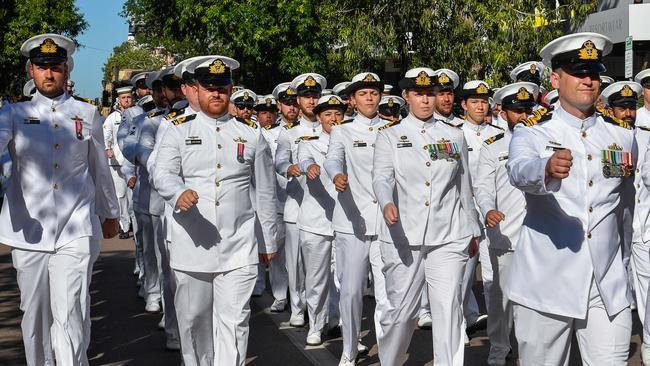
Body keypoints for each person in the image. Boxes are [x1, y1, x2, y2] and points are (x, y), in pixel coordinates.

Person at [507, 32, 635, 365]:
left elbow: (628, 207)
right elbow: (518, 171)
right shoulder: (533, 131)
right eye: (578, 73)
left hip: (607, 283)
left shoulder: (621, 136)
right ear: (555, 78)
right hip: (547, 283)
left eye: (593, 74)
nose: (588, 81)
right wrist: (545, 168)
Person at [0, 33, 119, 366]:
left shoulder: (87, 114)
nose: (48, 74)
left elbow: (100, 167)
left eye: (55, 67)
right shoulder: (12, 114)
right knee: (35, 314)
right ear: (31, 71)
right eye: (41, 67)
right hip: (28, 229)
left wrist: (109, 212)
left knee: (70, 311)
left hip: (75, 226)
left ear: (67, 70)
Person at [153, 55, 277, 366]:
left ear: (231, 89)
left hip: (239, 243)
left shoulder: (250, 133)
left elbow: (264, 190)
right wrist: (177, 192)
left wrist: (268, 241)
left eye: (222, 87)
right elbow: (162, 173)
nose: (216, 94)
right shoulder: (177, 129)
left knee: (235, 322)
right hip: (191, 241)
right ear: (196, 89)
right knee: (194, 321)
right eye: (209, 88)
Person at [373, 67, 481, 365]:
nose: (425, 100)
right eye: (418, 94)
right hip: (404, 235)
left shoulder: (454, 135)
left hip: (449, 234)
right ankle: (390, 361)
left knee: (448, 310)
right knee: (401, 314)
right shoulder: (390, 136)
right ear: (406, 96)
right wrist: (385, 202)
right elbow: (381, 178)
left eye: (430, 94)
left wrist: (473, 229)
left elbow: (464, 185)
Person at [324, 72, 389, 365]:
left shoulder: (393, 129)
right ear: (352, 100)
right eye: (363, 94)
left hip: (388, 223)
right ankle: (349, 350)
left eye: (374, 93)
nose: (370, 98)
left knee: (388, 294)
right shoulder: (342, 131)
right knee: (351, 292)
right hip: (353, 222)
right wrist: (336, 175)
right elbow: (333, 158)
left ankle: (389, 352)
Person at [474, 81, 538, 365]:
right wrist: (488, 210)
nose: (522, 115)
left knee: (535, 301)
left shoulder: (546, 141)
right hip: (505, 234)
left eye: (527, 109)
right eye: (516, 110)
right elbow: (483, 187)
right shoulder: (493, 147)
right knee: (501, 301)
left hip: (539, 236)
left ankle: (532, 349)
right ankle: (499, 347)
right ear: (504, 113)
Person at [275, 72, 326, 327]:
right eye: (306, 96)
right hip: (297, 203)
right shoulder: (289, 132)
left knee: (323, 265)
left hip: (327, 207)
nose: (311, 100)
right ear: (298, 100)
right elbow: (279, 160)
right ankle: (298, 306)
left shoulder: (333, 125)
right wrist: (289, 168)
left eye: (315, 95)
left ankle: (324, 311)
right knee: (295, 263)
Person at [296, 95, 346, 346]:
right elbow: (304, 160)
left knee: (344, 278)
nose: (334, 119)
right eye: (328, 115)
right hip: (315, 220)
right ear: (319, 118)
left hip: (345, 220)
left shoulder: (350, 141)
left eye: (338, 114)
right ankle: (316, 324)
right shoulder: (308, 143)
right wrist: (309, 167)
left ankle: (340, 322)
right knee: (316, 279)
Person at [253, 94, 290, 311]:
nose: (268, 116)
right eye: (263, 113)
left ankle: (295, 295)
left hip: (289, 196)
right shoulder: (252, 134)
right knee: (274, 250)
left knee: (293, 255)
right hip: (267, 199)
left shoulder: (284, 133)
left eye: (271, 113)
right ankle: (279, 294)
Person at [104, 82, 135, 239]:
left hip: (135, 163)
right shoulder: (112, 118)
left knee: (133, 196)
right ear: (118, 99)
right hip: (117, 162)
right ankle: (124, 226)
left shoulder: (139, 115)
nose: (127, 100)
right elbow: (106, 136)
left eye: (129, 97)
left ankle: (135, 226)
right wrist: (108, 149)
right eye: (124, 98)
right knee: (121, 196)